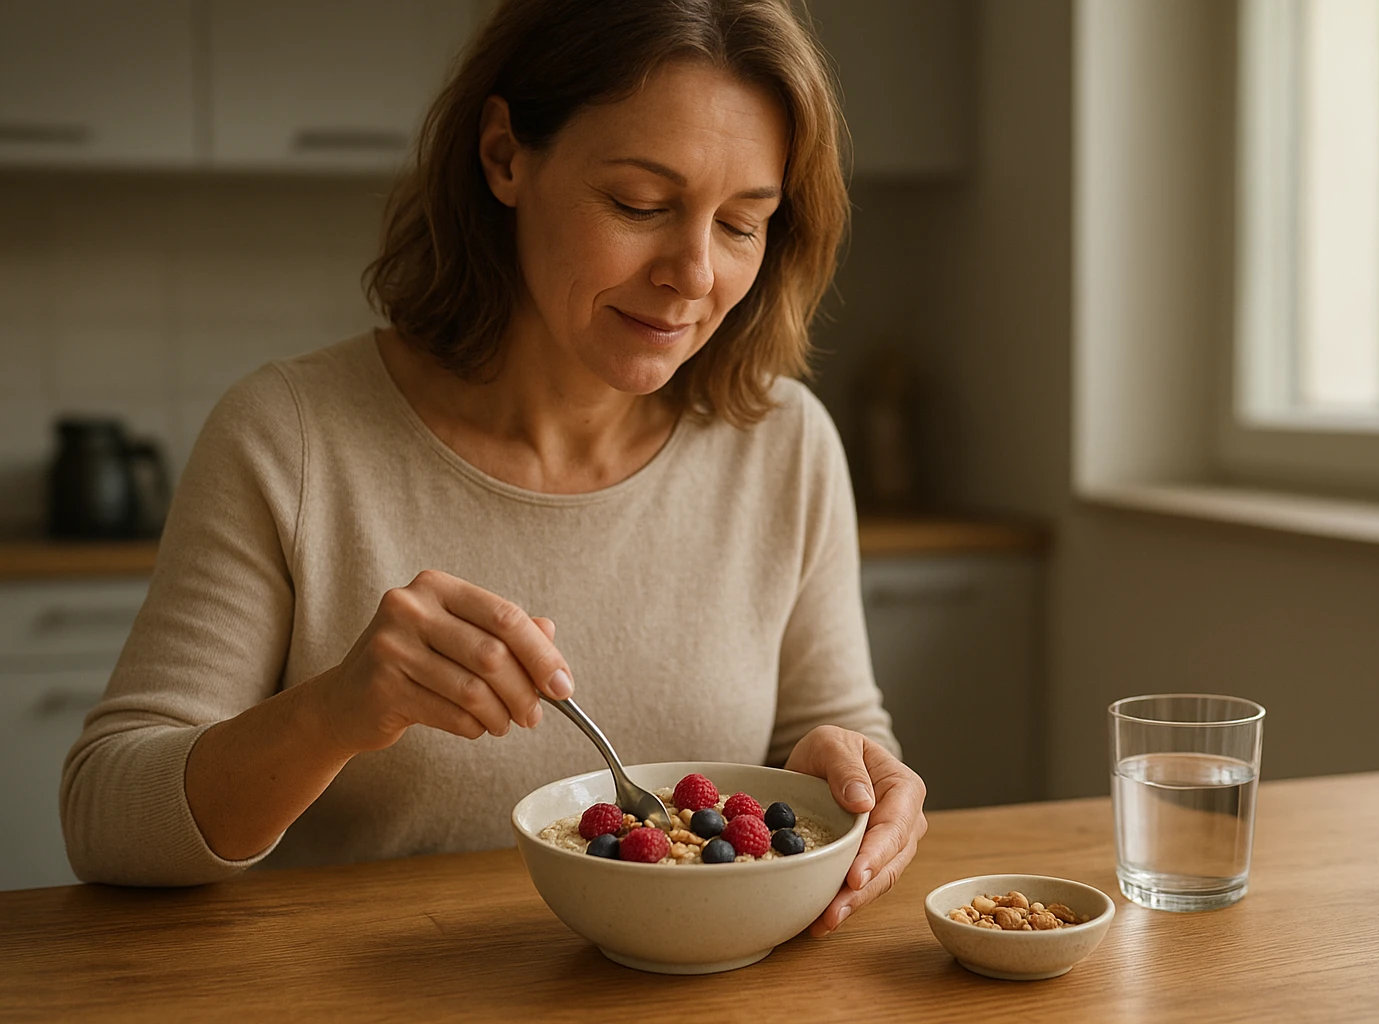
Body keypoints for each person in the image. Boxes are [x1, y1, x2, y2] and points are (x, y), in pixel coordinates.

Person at [61, 0, 927, 939]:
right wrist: (333, 715)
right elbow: (105, 817)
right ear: (505, 154)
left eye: (742, 225)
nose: (693, 273)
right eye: (640, 205)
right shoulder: (292, 437)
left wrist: (855, 773)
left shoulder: (784, 442)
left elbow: (833, 735)